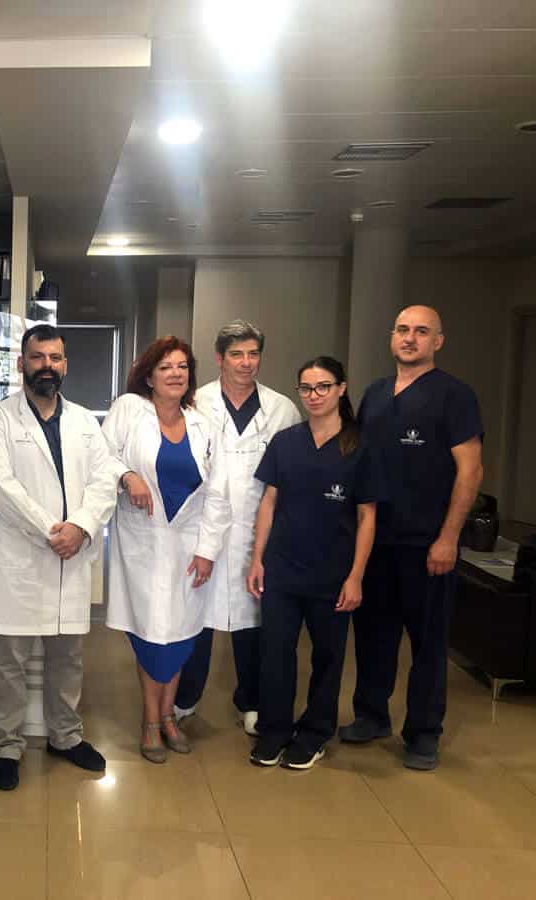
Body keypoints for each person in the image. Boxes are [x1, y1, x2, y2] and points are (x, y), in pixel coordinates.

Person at [0, 323, 122, 791]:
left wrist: (81, 526)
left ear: (65, 364)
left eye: (55, 358)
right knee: (10, 662)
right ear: (22, 363)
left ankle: (65, 736)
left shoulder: (84, 422)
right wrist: (52, 530)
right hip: (21, 557)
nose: (46, 366)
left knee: (67, 658)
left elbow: (104, 480)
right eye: (37, 357)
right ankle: (7, 746)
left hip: (70, 557)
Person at [338, 305, 483, 771]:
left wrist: (448, 537)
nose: (409, 338)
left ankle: (423, 734)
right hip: (376, 542)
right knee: (374, 636)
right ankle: (371, 715)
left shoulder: (454, 396)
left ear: (437, 341)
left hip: (427, 544)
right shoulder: (376, 394)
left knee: (428, 644)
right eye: (402, 329)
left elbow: (470, 470)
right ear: (392, 337)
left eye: (421, 331)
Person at [102, 336, 232, 763]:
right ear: (149, 376)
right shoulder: (129, 410)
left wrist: (208, 550)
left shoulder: (203, 425)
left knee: (180, 635)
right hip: (143, 542)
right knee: (150, 635)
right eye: (165, 367)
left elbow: (218, 493)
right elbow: (100, 455)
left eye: (182, 366)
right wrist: (127, 476)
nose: (176, 374)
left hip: (188, 547)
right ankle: (150, 721)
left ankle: (169, 716)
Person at [247, 357, 382, 770]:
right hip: (283, 568)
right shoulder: (286, 442)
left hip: (333, 574)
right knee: (275, 653)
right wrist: (257, 558)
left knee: (327, 656)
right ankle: (274, 731)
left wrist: (356, 576)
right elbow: (269, 501)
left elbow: (367, 516)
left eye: (323, 386)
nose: (314, 396)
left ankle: (314, 733)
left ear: (341, 388)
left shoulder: (360, 446)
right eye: (306, 388)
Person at [175, 320, 302, 736]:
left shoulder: (282, 409)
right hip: (203, 530)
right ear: (219, 358)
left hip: (256, 532)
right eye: (236, 354)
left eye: (253, 354)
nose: (246, 363)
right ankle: (185, 697)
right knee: (196, 619)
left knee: (254, 622)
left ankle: (251, 700)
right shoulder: (195, 403)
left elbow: (291, 475)